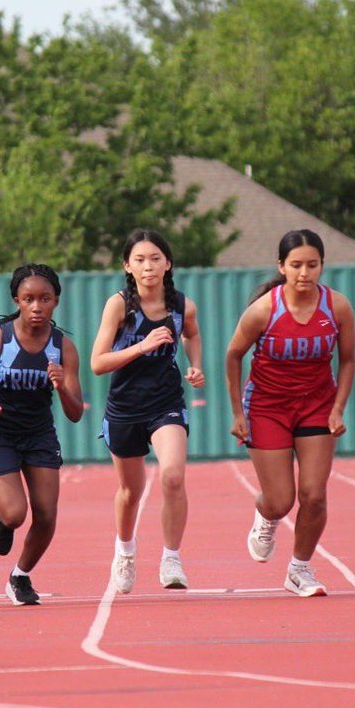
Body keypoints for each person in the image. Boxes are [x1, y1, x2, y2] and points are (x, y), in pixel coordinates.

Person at [225, 229, 355, 597]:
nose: (304, 273)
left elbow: (347, 361)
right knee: (281, 500)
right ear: (281, 266)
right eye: (296, 265)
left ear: (321, 267)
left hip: (316, 405)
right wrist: (238, 412)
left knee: (313, 494)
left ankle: (300, 568)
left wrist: (338, 408)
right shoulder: (264, 310)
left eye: (312, 265)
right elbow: (233, 355)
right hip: (267, 408)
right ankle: (265, 516)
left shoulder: (338, 307)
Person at [0, 264, 84, 605]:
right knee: (16, 514)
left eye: (44, 299)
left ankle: (20, 576)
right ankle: (2, 518)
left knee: (45, 516)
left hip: (39, 433)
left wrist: (60, 386)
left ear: (56, 301)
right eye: (28, 299)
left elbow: (75, 413)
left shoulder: (64, 349)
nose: (36, 306)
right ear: (17, 299)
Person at [91, 229, 204, 593]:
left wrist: (195, 364)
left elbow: (192, 334)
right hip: (124, 408)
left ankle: (172, 557)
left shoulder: (182, 305)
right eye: (139, 259)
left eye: (155, 258)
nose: (148, 266)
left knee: (172, 476)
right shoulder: (120, 305)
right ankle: (124, 552)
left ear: (168, 263)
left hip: (165, 403)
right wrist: (142, 346)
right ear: (127, 266)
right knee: (130, 490)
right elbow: (97, 363)